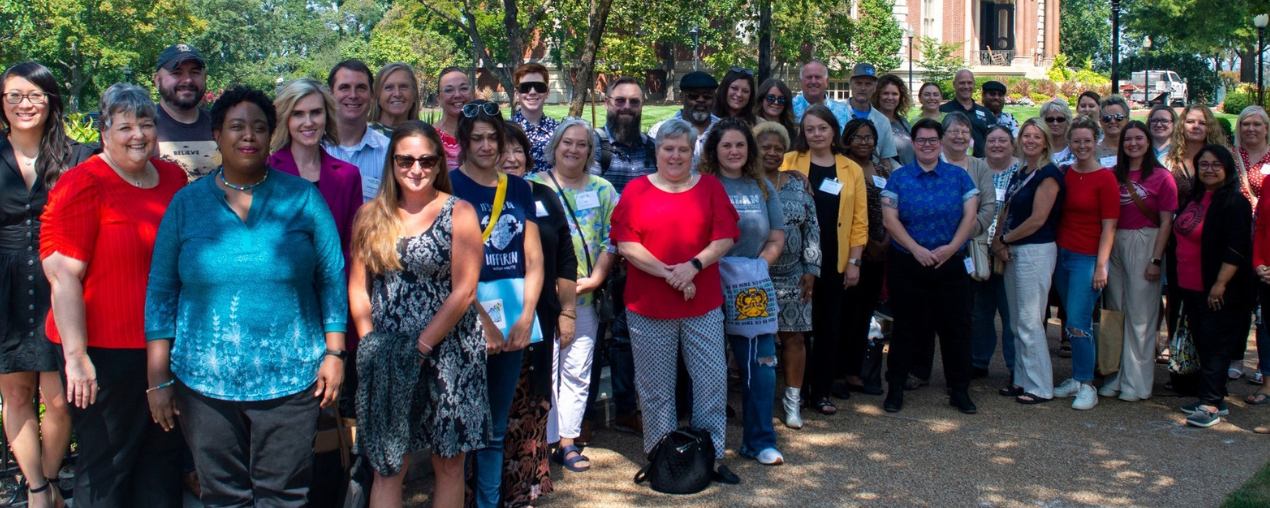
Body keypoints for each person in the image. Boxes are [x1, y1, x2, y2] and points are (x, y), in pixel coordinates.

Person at [144, 86, 348, 508]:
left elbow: (331, 277)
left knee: (284, 496)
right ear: (216, 135)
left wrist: (335, 352)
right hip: (204, 383)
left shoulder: (302, 198)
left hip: (292, 379)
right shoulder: (186, 204)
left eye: (259, 127)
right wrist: (157, 376)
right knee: (223, 495)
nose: (248, 136)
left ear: (271, 136)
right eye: (236, 126)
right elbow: (162, 290)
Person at [43, 83, 186, 508]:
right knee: (108, 467)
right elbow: (63, 276)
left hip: (163, 345)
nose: (137, 134)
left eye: (145, 123)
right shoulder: (82, 183)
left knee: (161, 463)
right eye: (124, 126)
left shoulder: (173, 178)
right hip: (104, 350)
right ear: (104, 133)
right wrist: (76, 356)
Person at [347, 121, 487, 508]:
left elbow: (465, 290)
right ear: (391, 162)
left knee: (449, 461)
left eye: (426, 160)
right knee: (389, 463)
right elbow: (359, 288)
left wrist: (422, 347)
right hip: (389, 352)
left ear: (439, 162)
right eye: (405, 160)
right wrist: (370, 342)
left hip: (450, 351)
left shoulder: (458, 211)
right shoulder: (370, 215)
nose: (416, 169)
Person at [610, 118, 742, 485]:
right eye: (668, 148)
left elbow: (726, 236)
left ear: (692, 153)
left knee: (711, 382)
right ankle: (661, 457)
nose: (675, 155)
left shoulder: (710, 187)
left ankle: (709, 457)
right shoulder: (637, 190)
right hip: (649, 307)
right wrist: (673, 274)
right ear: (657, 151)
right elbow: (626, 244)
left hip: (701, 304)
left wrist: (694, 266)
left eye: (683, 149)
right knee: (655, 388)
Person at [2, 61, 90, 508]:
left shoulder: (78, 156)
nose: (25, 104)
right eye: (14, 95)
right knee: (16, 393)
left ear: (51, 101)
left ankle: (53, 480)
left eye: (35, 95)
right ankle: (37, 488)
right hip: (5, 289)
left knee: (58, 399)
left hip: (62, 289)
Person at [448, 100, 544, 508]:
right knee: (459, 424)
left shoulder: (520, 187)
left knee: (495, 425)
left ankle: (489, 503)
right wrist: (481, 321)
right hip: (465, 318)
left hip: (514, 316)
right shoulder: (448, 187)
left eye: (494, 137)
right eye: (478, 138)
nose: (487, 146)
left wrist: (525, 318)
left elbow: (534, 258)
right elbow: (446, 269)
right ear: (463, 142)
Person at [528, 118, 616, 473]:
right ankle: (544, 443)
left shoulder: (603, 190)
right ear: (555, 145)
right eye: (568, 142)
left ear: (590, 151)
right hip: (543, 299)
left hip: (585, 297)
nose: (574, 149)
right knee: (545, 372)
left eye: (582, 144)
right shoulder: (531, 187)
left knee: (577, 371)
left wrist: (597, 277)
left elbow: (614, 236)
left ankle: (567, 442)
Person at [697, 117, 785, 465]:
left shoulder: (762, 186)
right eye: (726, 145)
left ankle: (760, 440)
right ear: (714, 151)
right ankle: (705, 445)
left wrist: (760, 265)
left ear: (749, 150)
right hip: (707, 284)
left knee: (760, 367)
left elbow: (776, 236)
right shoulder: (701, 185)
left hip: (750, 286)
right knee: (707, 370)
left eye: (740, 145)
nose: (734, 151)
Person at [879, 118, 981, 414]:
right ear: (913, 144)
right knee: (906, 327)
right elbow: (890, 219)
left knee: (956, 328)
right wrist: (916, 250)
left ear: (941, 143)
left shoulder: (959, 177)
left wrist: (950, 249)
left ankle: (959, 389)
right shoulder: (899, 178)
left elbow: (970, 217)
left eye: (932, 141)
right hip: (908, 263)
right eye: (921, 141)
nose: (927, 146)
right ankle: (895, 387)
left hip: (949, 264)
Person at [498, 121, 575, 506]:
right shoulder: (470, 196)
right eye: (503, 149)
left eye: (518, 151)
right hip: (491, 319)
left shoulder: (543, 194)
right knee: (497, 403)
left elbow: (565, 255)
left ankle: (524, 488)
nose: (512, 158)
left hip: (540, 315)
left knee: (533, 399)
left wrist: (568, 312)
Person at [780, 105, 868, 416]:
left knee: (829, 327)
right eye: (810, 129)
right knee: (798, 329)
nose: (816, 134)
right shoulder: (790, 162)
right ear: (802, 133)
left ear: (833, 131)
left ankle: (822, 392)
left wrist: (855, 262)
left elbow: (859, 221)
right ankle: (797, 391)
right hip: (796, 262)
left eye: (822, 128)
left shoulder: (851, 169)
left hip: (834, 260)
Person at [910, 112, 996, 388]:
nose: (959, 137)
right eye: (953, 132)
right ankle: (919, 370)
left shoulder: (979, 167)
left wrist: (959, 236)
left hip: (964, 252)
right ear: (941, 137)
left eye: (964, 132)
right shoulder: (926, 163)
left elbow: (989, 206)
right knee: (922, 315)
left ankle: (960, 374)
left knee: (960, 316)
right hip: (926, 251)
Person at [586, 76, 650, 436]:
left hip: (637, 259)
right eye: (620, 101)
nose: (626, 108)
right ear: (607, 101)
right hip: (596, 255)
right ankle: (584, 418)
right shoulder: (594, 145)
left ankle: (626, 409)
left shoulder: (653, 150)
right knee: (591, 337)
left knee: (626, 338)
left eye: (634, 102)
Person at [1175, 145, 1255, 428]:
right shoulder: (1196, 197)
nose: (1209, 169)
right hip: (1191, 284)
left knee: (1216, 344)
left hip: (1219, 289)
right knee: (1204, 342)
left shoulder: (1234, 202)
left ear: (1227, 168)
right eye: (1204, 164)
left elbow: (1237, 248)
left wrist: (1220, 284)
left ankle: (1209, 405)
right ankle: (1215, 398)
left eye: (1216, 164)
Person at [1100, 120, 1177, 402]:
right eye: (1128, 139)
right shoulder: (1112, 174)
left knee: (1141, 316)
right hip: (1115, 240)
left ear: (1147, 142)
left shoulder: (1161, 177)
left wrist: (1156, 259)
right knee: (1116, 311)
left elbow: (1167, 222)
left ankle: (1138, 382)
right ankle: (1116, 375)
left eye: (1139, 138)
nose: (1133, 143)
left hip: (1146, 241)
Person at [1051, 116, 1120, 411]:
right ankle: (1077, 379)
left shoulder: (1105, 178)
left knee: (1079, 323)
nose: (1082, 146)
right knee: (1071, 318)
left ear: (1096, 143)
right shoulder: (1064, 173)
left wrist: (1101, 266)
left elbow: (1110, 227)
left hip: (1088, 259)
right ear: (1069, 143)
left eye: (1087, 141)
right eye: (1076, 141)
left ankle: (1087, 383)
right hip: (1062, 256)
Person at [993, 118, 1064, 403]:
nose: (1031, 141)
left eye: (1037, 136)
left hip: (1035, 250)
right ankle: (1022, 380)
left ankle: (1040, 386)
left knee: (1030, 320)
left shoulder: (1048, 174)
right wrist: (1001, 241)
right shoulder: (1022, 171)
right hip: (1013, 251)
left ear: (1046, 141)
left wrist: (1004, 240)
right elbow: (1007, 211)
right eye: (1026, 136)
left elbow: (1037, 220)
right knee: (1014, 323)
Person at [755, 121, 819, 429]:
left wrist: (811, 269)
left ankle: (792, 403)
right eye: (765, 147)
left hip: (794, 276)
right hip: (755, 276)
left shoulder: (797, 185)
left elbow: (812, 230)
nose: (771, 152)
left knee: (795, 339)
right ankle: (760, 402)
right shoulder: (746, 184)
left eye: (778, 148)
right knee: (759, 342)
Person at [268, 78, 363, 263]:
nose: (309, 122)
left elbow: (351, 248)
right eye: (298, 114)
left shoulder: (348, 176)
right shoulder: (267, 170)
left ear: (327, 115)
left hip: (335, 284)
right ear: (286, 118)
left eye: (316, 112)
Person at [834, 119, 889, 397]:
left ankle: (856, 372)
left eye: (869, 137)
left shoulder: (883, 169)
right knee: (844, 314)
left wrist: (884, 243)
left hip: (880, 251)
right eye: (857, 137)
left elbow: (893, 210)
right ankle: (838, 374)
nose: (864, 142)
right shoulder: (840, 168)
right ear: (846, 140)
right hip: (852, 252)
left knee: (864, 314)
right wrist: (865, 246)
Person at [1165, 105, 1228, 344]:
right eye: (1190, 121)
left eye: (1201, 122)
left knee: (1207, 299)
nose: (1196, 126)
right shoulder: (1170, 160)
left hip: (1212, 241)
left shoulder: (1220, 158)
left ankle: (1206, 358)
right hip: (1176, 242)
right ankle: (1178, 355)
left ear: (1209, 126)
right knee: (1176, 298)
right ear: (1182, 125)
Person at [972, 125, 1019, 381]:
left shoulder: (1023, 170)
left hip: (1010, 250)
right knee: (980, 311)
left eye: (1003, 140)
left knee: (1011, 311)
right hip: (979, 248)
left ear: (1012, 144)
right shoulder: (975, 166)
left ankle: (1014, 365)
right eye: (992, 141)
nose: (997, 145)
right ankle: (978, 360)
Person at [1236, 106, 1270, 390]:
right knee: (1238, 300)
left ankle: (1263, 364)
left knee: (1264, 308)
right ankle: (1236, 359)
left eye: (1257, 124)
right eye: (1245, 124)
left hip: (1265, 238)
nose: (1251, 129)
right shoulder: (1234, 156)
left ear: (1266, 128)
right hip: (1236, 235)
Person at [325, 59, 390, 202]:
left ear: (372, 94)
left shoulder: (388, 150)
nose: (353, 95)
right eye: (344, 88)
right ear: (329, 94)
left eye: (361, 87)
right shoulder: (313, 148)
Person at [152, 43, 217, 180]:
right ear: (157, 80)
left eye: (195, 72)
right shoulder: (142, 127)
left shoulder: (220, 125)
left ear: (205, 78)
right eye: (176, 73)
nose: (187, 80)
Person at [648, 71, 719, 164]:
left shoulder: (724, 129)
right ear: (681, 97)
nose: (701, 100)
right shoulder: (659, 131)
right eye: (693, 96)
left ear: (714, 98)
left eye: (707, 96)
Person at [510, 63, 559, 175]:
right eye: (525, 87)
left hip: (550, 191)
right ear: (516, 93)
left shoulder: (559, 131)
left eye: (539, 87)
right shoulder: (504, 130)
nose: (532, 92)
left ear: (547, 92)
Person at [845, 63, 897, 169]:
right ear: (851, 84)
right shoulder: (835, 113)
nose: (863, 88)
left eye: (868, 84)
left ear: (875, 87)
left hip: (871, 176)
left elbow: (885, 159)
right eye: (858, 83)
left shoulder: (882, 121)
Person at [938, 69, 995, 157]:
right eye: (962, 83)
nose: (966, 86)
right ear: (954, 84)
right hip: (951, 163)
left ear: (974, 84)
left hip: (981, 164)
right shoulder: (943, 110)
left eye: (969, 83)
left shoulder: (986, 113)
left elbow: (993, 139)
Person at [435, 67, 475, 170]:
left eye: (463, 88)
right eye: (449, 90)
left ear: (472, 93)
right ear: (438, 98)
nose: (457, 95)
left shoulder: (486, 135)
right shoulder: (430, 137)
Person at [792, 60, 851, 131]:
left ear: (826, 81)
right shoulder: (789, 108)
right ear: (800, 81)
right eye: (808, 77)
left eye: (818, 77)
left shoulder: (842, 112)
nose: (813, 81)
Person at [368, 62, 421, 134]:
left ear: (414, 94)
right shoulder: (362, 134)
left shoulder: (425, 136)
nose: (397, 94)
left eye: (403, 86)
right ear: (377, 96)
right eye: (389, 87)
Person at [873, 74, 914, 166]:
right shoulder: (873, 122)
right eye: (885, 93)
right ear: (877, 95)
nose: (890, 98)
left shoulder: (903, 122)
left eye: (894, 94)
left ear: (900, 97)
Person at [1097, 95, 1129, 167]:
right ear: (1100, 122)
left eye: (1118, 117)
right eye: (1106, 118)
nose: (1112, 121)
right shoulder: (1092, 152)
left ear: (1127, 120)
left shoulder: (1134, 149)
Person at [1041, 99, 1073, 165]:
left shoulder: (1075, 148)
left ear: (1067, 121)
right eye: (1050, 119)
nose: (1055, 123)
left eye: (1060, 119)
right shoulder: (1038, 149)